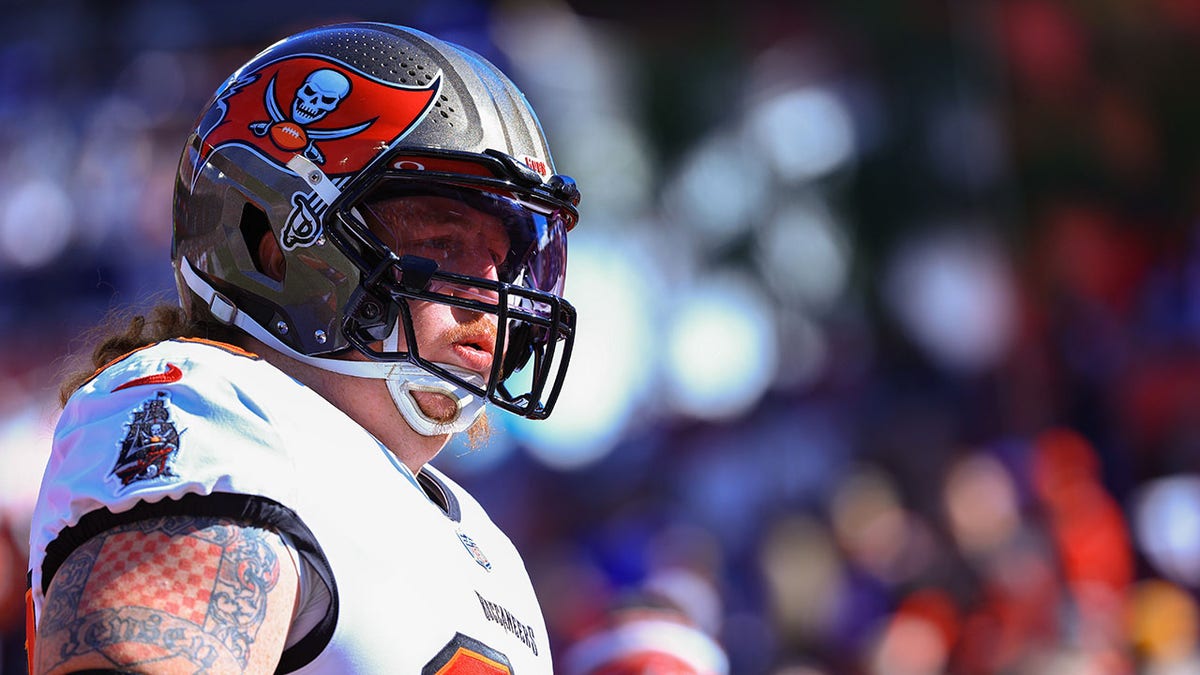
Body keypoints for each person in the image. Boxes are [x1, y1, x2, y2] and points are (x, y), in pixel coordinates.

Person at [26, 21, 581, 674]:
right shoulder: (220, 414)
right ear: (272, 242)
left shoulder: (483, 544)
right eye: (443, 243)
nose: (490, 292)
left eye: (503, 259)